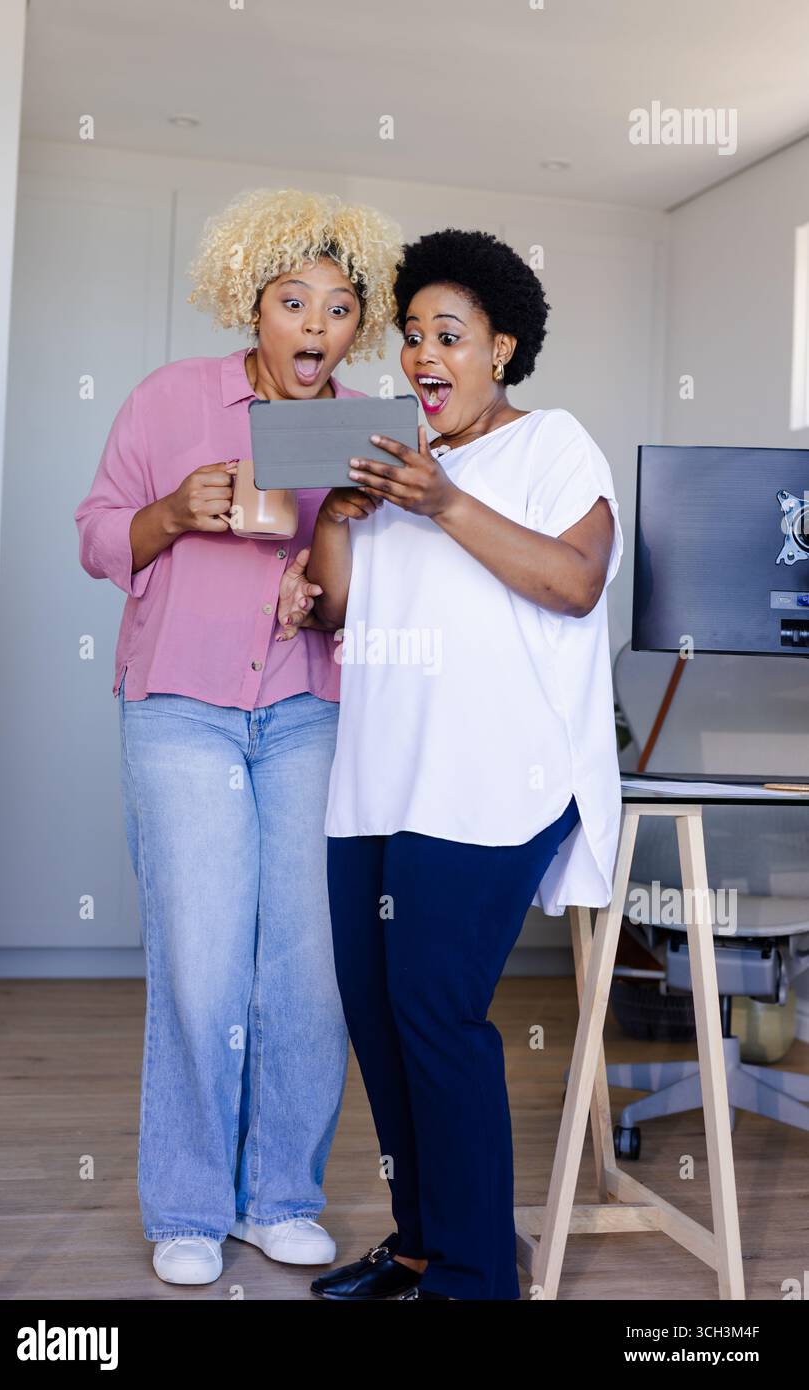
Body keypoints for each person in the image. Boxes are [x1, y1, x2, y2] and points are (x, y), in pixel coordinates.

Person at [73, 188, 402, 1286]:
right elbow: (94, 532)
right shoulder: (170, 399)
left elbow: (382, 581)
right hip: (179, 712)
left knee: (305, 969)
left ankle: (280, 1196)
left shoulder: (363, 434)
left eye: (339, 306)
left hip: (309, 709)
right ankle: (186, 1204)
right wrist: (171, 512)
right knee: (202, 965)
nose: (314, 325)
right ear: (250, 302)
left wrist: (323, 585)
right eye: (292, 300)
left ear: (360, 322)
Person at [305, 227, 624, 1300]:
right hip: (379, 783)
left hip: (494, 781)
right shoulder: (397, 462)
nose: (421, 355)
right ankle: (415, 1244)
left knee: (435, 1012)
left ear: (501, 346)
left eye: (448, 334)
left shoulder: (551, 446)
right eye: (409, 337)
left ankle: (478, 1274)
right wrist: (343, 522)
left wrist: (440, 503)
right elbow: (338, 613)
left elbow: (574, 582)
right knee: (377, 1014)